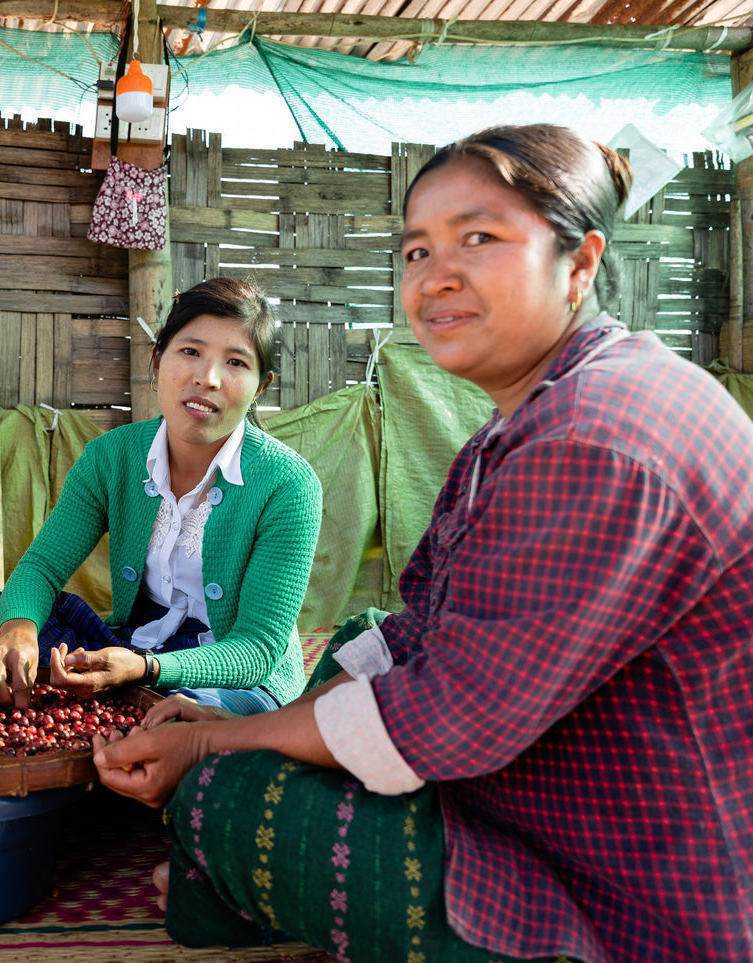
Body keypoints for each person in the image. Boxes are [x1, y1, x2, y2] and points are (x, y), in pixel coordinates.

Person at [93, 124, 753, 963]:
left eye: (479, 237)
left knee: (224, 794)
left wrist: (209, 738)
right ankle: (228, 876)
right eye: (414, 250)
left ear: (579, 264)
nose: (435, 275)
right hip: (539, 781)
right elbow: (418, 628)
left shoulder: (594, 436)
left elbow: (440, 717)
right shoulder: (530, 419)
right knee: (362, 639)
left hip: (636, 890)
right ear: (159, 364)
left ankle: (225, 879)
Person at [0, 277, 322, 716]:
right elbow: (43, 566)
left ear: (260, 386)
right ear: (156, 362)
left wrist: (144, 668)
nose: (206, 379)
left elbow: (257, 648)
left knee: (190, 723)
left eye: (235, 362)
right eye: (190, 352)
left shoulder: (288, 485)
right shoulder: (111, 457)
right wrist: (18, 631)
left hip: (231, 672)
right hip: (132, 639)